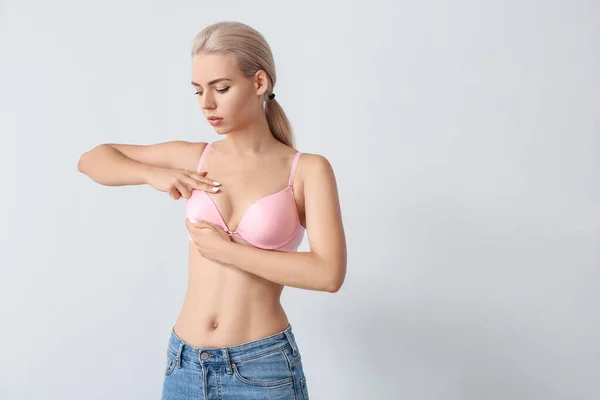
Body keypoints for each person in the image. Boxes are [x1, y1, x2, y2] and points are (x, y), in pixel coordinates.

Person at [77, 21, 346, 400]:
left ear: (259, 83)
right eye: (198, 91)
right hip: (185, 363)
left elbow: (328, 273)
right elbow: (92, 159)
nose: (207, 103)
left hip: (262, 366)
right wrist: (151, 174)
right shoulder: (195, 157)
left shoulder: (306, 170)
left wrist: (230, 252)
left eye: (221, 88)